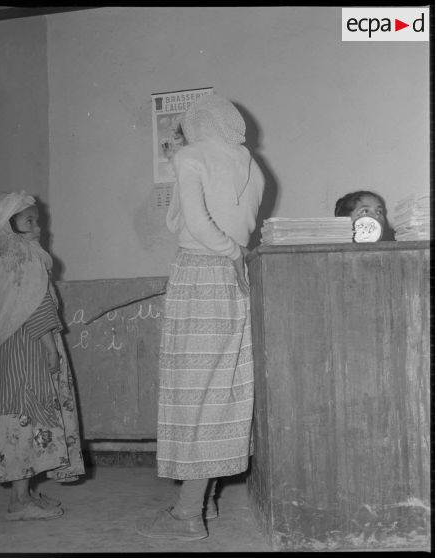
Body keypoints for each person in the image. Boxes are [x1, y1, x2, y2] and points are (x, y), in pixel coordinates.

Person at [136, 94, 265, 541]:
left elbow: (196, 219)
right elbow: (237, 222)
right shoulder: (253, 164)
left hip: (202, 273)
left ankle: (187, 515)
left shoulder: (192, 156)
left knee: (193, 396)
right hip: (234, 282)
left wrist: (228, 252)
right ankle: (202, 500)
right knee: (220, 394)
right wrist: (236, 257)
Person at [0, 191, 84, 521]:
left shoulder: (0, 256)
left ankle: (23, 493)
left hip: (14, 350)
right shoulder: (20, 256)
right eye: (29, 220)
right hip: (29, 349)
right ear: (9, 225)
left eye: (36, 219)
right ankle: (19, 502)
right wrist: (50, 346)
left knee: (20, 417)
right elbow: (36, 305)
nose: (37, 225)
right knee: (26, 417)